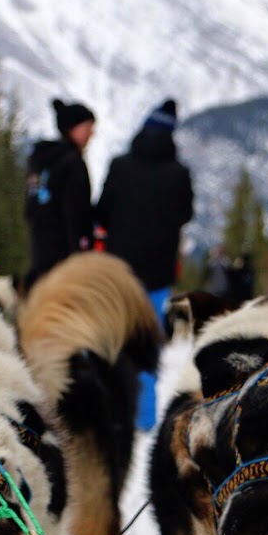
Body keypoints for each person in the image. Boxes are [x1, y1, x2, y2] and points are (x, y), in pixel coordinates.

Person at [96, 99, 193, 431]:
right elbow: (186, 214)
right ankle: (145, 418)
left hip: (118, 271)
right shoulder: (179, 174)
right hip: (157, 273)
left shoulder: (120, 165)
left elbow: (102, 211)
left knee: (114, 338)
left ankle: (110, 412)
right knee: (148, 344)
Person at [24, 99, 96, 290]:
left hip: (40, 252)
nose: (92, 133)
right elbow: (77, 212)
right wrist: (81, 251)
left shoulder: (39, 160)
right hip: (66, 258)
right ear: (72, 127)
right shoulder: (73, 163)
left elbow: (31, 205)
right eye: (88, 126)